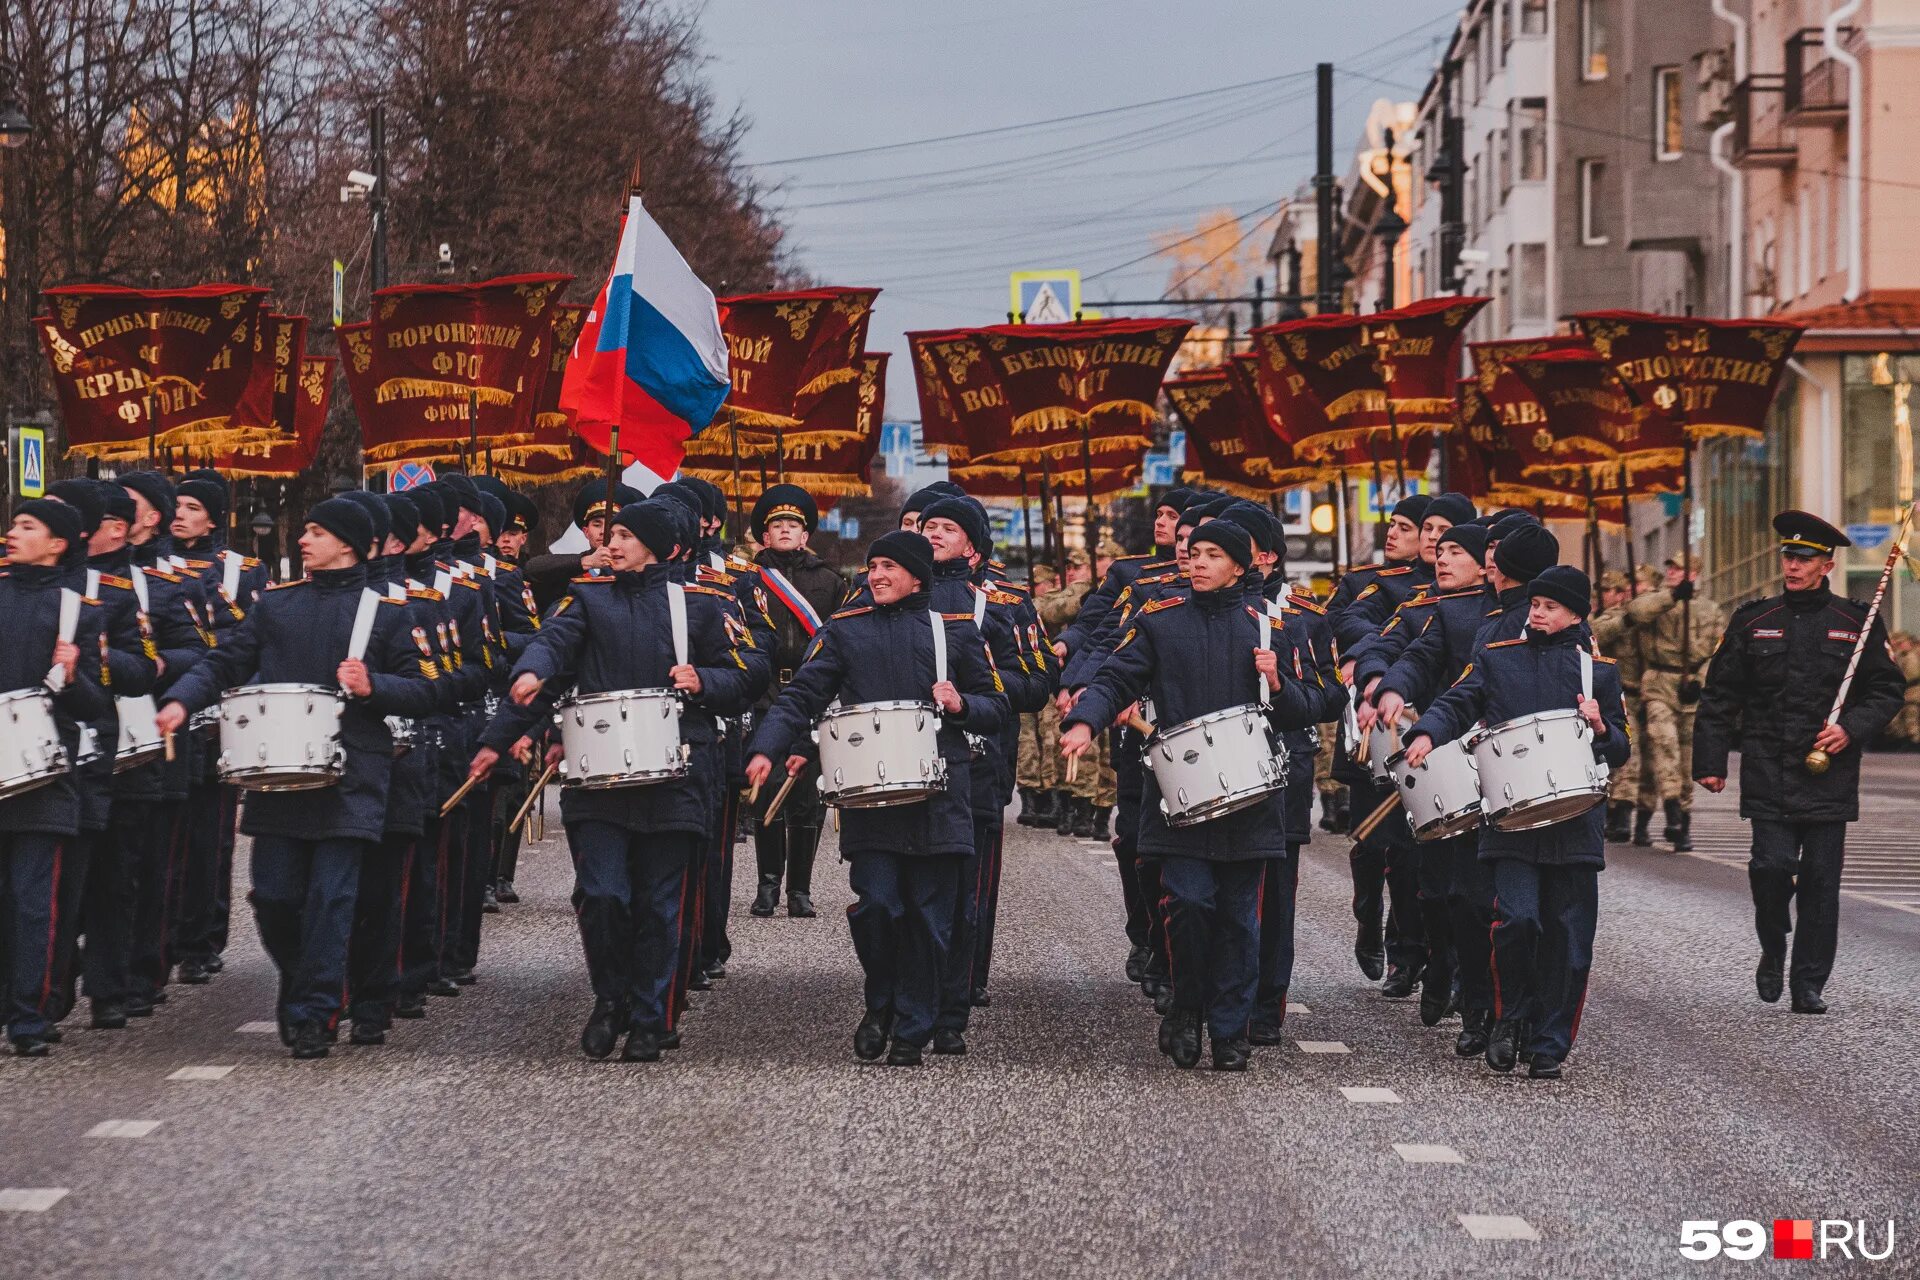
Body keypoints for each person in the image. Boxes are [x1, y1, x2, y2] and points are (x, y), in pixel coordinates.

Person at [473, 498, 759, 1060]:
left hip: (676, 775)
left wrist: (704, 680)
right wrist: (505, 721)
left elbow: (749, 670)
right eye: (613, 534)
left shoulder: (703, 604)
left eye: (626, 535)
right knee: (602, 894)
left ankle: (653, 1016)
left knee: (660, 903)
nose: (613, 543)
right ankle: (611, 998)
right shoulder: (587, 598)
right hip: (597, 776)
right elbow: (551, 646)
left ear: (666, 547)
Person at [155, 498, 441, 1058]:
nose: (303, 540)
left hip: (351, 773)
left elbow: (427, 687)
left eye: (315, 531)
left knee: (334, 898)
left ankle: (316, 1011)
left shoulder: (385, 612)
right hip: (277, 773)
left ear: (350, 545)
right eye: (305, 530)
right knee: (276, 900)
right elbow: (223, 662)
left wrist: (373, 687)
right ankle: (306, 980)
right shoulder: (276, 607)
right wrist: (180, 702)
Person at [1062, 519, 1323, 1071]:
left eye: (1211, 555)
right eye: (1194, 553)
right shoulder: (1159, 620)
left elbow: (1319, 702)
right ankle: (1185, 1008)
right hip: (1178, 795)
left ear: (1240, 565)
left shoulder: (1273, 625)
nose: (1196, 562)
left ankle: (1230, 1030)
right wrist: (1086, 721)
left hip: (1251, 800)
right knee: (1187, 904)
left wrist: (1280, 685)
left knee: (1238, 919)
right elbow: (1115, 678)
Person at [747, 530, 1007, 1066]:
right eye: (873, 566)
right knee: (878, 909)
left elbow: (997, 707)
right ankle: (880, 1005)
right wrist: (768, 747)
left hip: (938, 796)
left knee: (930, 920)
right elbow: (803, 696)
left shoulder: (953, 633)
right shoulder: (845, 632)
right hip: (870, 797)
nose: (877, 575)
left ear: (917, 576)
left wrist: (960, 706)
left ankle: (912, 1028)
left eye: (890, 566)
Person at [1401, 565, 1631, 1079]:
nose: (1538, 613)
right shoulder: (1497, 659)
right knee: (1516, 920)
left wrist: (1599, 725)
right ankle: (1509, 1018)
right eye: (1535, 604)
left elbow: (1621, 747)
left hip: (1575, 821)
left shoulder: (1601, 672)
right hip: (1509, 818)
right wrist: (1425, 733)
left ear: (1576, 613)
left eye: (1550, 606)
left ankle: (1550, 1042)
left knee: (1568, 939)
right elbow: (1456, 702)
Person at [1693, 511, 1905, 1014]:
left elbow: (1887, 689)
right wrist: (1711, 760)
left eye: (1805, 559)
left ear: (1826, 566)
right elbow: (1720, 695)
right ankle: (1773, 943)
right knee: (1769, 868)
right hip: (1768, 766)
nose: (1793, 565)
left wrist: (1850, 728)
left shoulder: (1857, 623)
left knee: (1820, 884)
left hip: (1829, 770)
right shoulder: (1754, 620)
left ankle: (1808, 982)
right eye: (1789, 556)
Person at [1354, 522, 1494, 1047]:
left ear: (1488, 563)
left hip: (1493, 760)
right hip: (1429, 756)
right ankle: (1434, 964)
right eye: (1440, 547)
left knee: (1477, 891)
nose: (1441, 556)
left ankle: (1470, 985)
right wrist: (1378, 681)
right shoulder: (1426, 611)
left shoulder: (1514, 617)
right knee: (1432, 885)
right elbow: (1389, 649)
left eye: (1457, 550)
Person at [0, 500, 124, 1055]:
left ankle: (28, 1015)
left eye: (27, 527)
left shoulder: (80, 611)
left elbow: (98, 707)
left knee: (33, 901)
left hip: (44, 775)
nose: (11, 533)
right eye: (13, 524)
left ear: (57, 545)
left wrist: (73, 677)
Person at [740, 484, 846, 919]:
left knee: (806, 794)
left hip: (811, 694)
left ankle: (799, 889)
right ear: (764, 537)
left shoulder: (830, 582)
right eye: (776, 525)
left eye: (793, 525)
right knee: (766, 791)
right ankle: (768, 885)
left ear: (805, 535)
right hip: (764, 693)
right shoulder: (746, 578)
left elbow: (840, 642)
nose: (784, 530)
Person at [1624, 550, 1724, 852]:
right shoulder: (1657, 601)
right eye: (1669, 568)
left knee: (1685, 757)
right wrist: (1671, 597)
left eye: (1678, 570)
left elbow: (1718, 650)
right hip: (1658, 682)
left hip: (1690, 685)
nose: (1671, 573)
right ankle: (1671, 811)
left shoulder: (1710, 609)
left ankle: (1683, 821)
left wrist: (1700, 679)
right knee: (1663, 742)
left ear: (1693, 574)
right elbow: (1637, 611)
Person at [1592, 569, 1648, 841]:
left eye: (1612, 590)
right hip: (1614, 694)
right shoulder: (1605, 619)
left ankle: (1632, 816)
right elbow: (1600, 633)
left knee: (1645, 759)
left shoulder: (1642, 615)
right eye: (1603, 591)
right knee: (1622, 752)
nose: (1606, 596)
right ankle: (1616, 812)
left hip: (1643, 691)